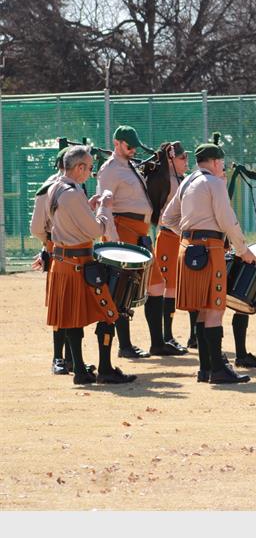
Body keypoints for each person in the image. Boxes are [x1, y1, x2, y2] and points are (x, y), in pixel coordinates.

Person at [161, 141, 256, 383]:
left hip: (188, 249)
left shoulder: (187, 182)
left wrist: (187, 235)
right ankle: (217, 370)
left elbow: (167, 218)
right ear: (215, 162)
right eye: (221, 163)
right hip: (210, 248)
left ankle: (205, 369)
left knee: (204, 309)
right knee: (215, 308)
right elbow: (227, 219)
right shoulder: (214, 182)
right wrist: (243, 249)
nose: (222, 167)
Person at [45, 145, 136, 385]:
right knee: (109, 312)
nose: (90, 172)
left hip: (63, 261)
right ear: (78, 167)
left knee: (71, 319)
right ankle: (104, 369)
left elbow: (69, 220)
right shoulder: (73, 193)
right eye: (88, 167)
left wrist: (90, 206)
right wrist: (105, 206)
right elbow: (96, 230)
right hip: (80, 262)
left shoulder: (55, 187)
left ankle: (80, 371)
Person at [95, 125, 153, 359]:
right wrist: (114, 242)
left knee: (142, 287)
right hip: (122, 230)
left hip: (139, 232)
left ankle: (144, 342)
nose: (132, 150)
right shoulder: (109, 169)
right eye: (128, 146)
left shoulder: (129, 165)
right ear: (116, 143)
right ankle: (125, 345)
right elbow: (103, 206)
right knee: (122, 289)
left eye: (134, 147)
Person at [30, 146, 84, 375]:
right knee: (59, 304)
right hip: (58, 247)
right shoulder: (51, 187)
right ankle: (58, 357)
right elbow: (36, 227)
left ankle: (72, 358)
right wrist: (48, 244)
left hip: (76, 248)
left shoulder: (75, 186)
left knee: (72, 303)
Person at [143, 141, 190, 357]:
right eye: (182, 158)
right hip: (170, 237)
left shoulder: (181, 180)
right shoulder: (169, 181)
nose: (186, 162)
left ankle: (169, 335)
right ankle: (167, 335)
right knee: (168, 287)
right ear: (171, 159)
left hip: (180, 238)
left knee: (175, 287)